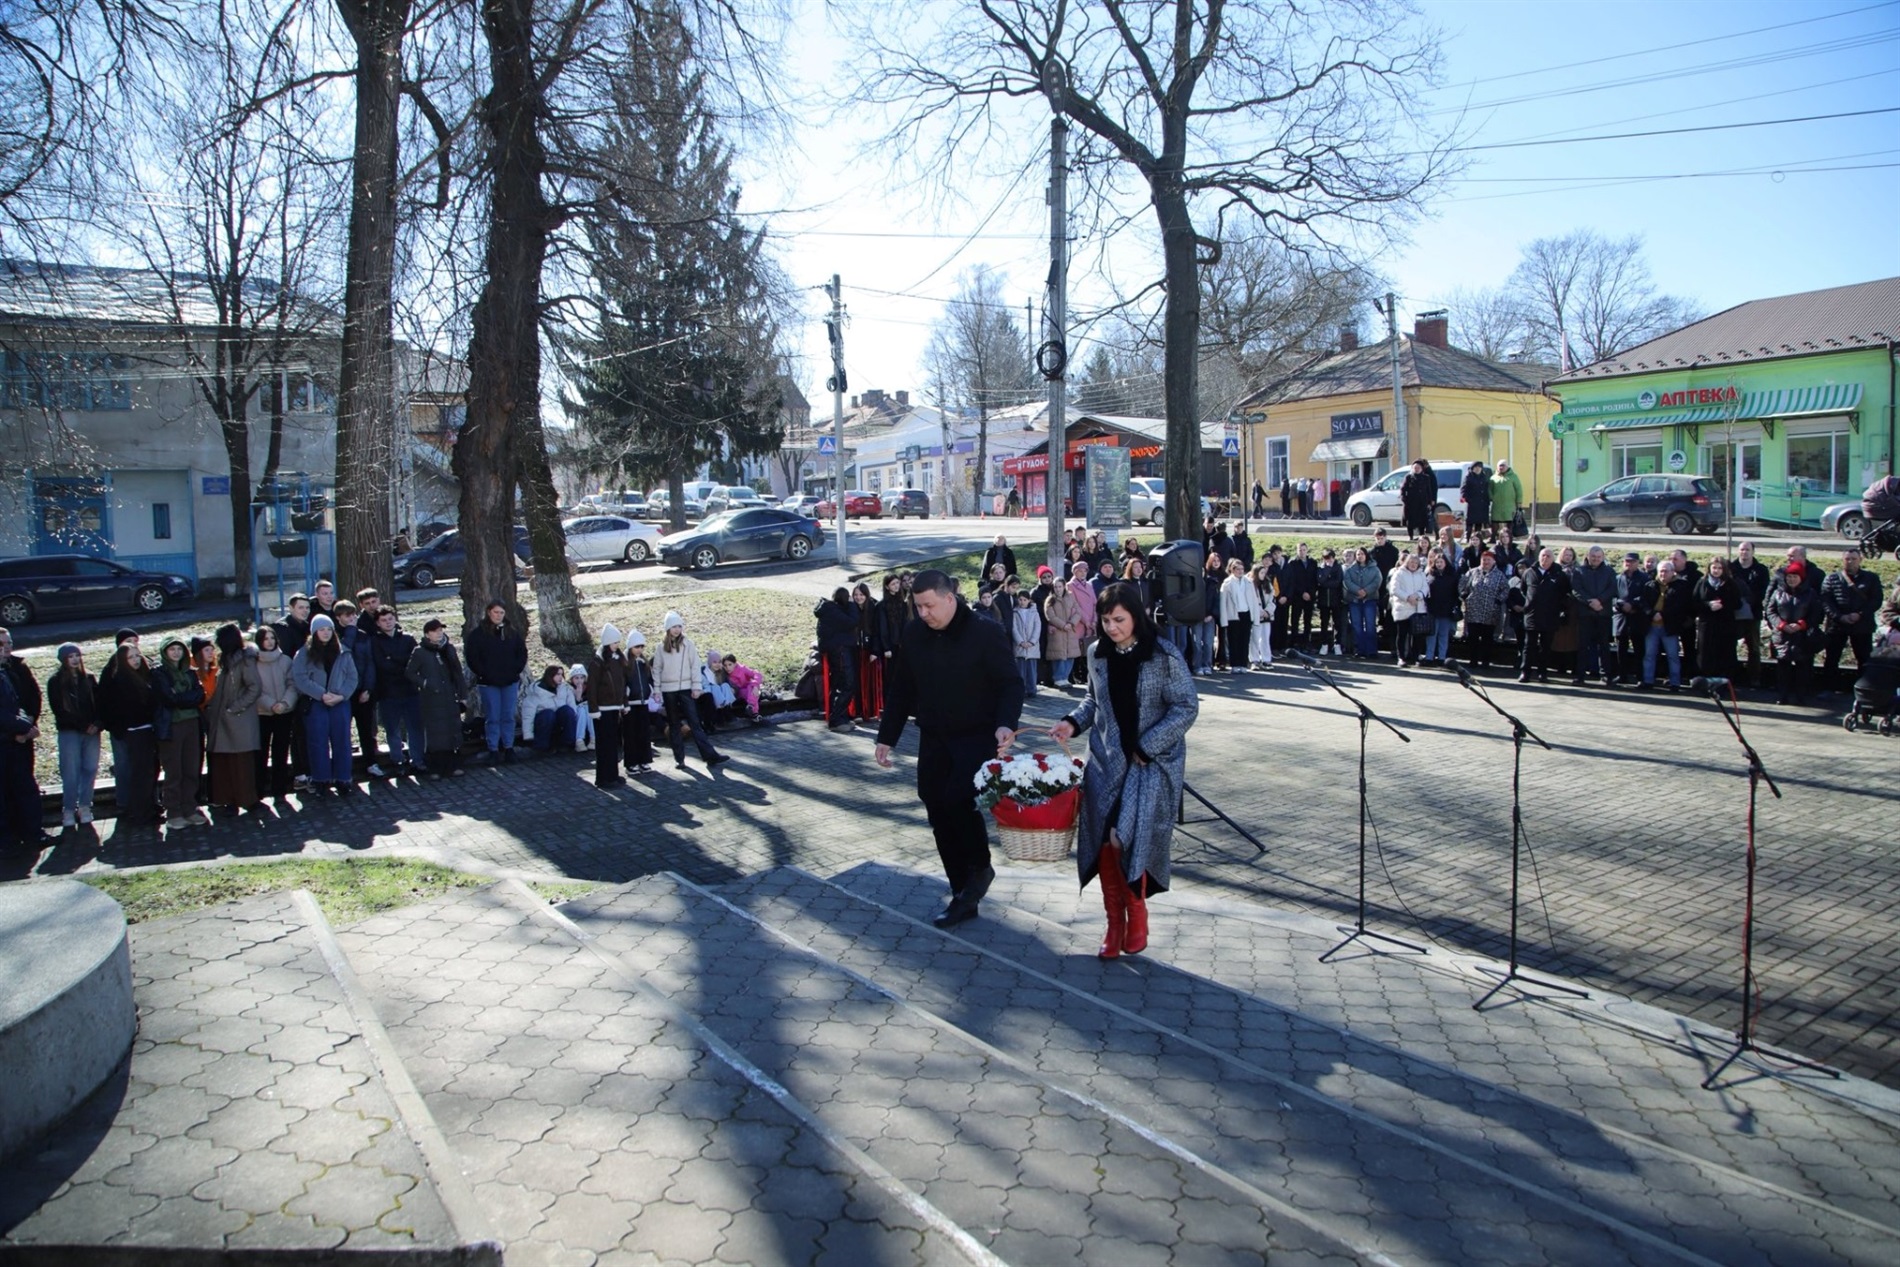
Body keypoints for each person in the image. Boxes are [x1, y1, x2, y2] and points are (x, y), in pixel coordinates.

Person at [1051, 581, 1199, 959]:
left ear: (1136, 616)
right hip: (1104, 763)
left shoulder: (1163, 654)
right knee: (1102, 841)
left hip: (1150, 765)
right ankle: (1114, 924)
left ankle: (1137, 911)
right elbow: (1092, 701)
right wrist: (1071, 722)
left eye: (1119, 619)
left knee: (1124, 837)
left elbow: (1185, 707)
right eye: (1106, 620)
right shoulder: (1097, 652)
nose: (1112, 627)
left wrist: (1148, 745)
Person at [875, 570, 1022, 928]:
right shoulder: (914, 633)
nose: (923, 613)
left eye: (928, 605)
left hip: (976, 735)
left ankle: (980, 868)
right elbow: (901, 689)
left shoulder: (985, 631)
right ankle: (962, 890)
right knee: (934, 801)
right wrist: (886, 737)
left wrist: (1006, 723)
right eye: (918, 606)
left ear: (949, 598)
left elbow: (1011, 683)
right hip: (934, 734)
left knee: (958, 799)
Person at [97, 632, 159, 827]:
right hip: (134, 731)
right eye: (130, 657)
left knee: (150, 771)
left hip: (148, 729)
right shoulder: (120, 680)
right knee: (140, 773)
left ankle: (149, 807)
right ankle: (140, 812)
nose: (135, 660)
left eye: (137, 655)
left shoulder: (143, 675)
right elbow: (118, 708)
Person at [653, 611, 727, 771]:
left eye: (679, 626)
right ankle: (679, 759)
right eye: (674, 626)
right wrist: (657, 689)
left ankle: (710, 755)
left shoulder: (688, 644)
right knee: (674, 725)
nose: (677, 629)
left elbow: (695, 666)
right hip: (669, 690)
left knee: (695, 722)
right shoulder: (660, 648)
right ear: (668, 628)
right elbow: (657, 669)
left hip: (686, 688)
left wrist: (696, 686)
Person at [293, 614, 358, 794]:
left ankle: (343, 779)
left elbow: (352, 677)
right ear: (314, 632)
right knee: (317, 742)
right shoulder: (304, 653)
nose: (326, 633)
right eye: (321, 630)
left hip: (339, 702)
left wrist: (341, 695)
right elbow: (300, 678)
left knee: (342, 741)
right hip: (316, 703)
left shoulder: (343, 651)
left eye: (329, 629)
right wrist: (321, 694)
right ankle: (321, 779)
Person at [201, 623, 262, 815]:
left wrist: (234, 708)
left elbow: (254, 687)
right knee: (224, 762)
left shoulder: (245, 660)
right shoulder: (225, 660)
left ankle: (247, 799)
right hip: (222, 718)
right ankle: (227, 799)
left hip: (238, 720)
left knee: (241, 763)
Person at [464, 599, 528, 765]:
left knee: (508, 716)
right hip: (488, 682)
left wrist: (515, 670)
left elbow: (521, 654)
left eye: (501, 613)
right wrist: (485, 673)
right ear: (488, 612)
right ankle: (493, 749)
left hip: (509, 681)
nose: (498, 616)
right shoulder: (478, 634)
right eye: (495, 612)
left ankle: (508, 747)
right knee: (493, 717)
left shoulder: (512, 633)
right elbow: (472, 658)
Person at [152, 637, 206, 828]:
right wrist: (184, 697)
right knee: (174, 770)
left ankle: (190, 808)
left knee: (191, 767)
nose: (176, 653)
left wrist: (180, 696)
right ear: (165, 652)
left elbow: (200, 695)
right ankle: (173, 812)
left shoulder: (190, 672)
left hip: (192, 723)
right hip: (172, 726)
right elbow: (168, 698)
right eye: (172, 649)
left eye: (179, 649)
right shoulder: (159, 673)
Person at [46, 642, 100, 829]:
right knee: (70, 771)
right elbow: (59, 709)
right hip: (70, 731)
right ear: (63, 660)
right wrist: (82, 725)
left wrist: (97, 724)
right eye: (71, 657)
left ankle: (85, 805)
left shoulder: (90, 678)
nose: (75, 660)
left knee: (90, 768)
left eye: (77, 655)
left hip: (92, 731)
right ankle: (68, 808)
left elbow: (99, 703)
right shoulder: (56, 681)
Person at [406, 619, 468, 778]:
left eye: (440, 630)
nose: (439, 633)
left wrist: (463, 695)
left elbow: (457, 673)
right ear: (427, 634)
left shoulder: (449, 649)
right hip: (431, 698)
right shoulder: (420, 652)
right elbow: (410, 673)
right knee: (435, 735)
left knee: (452, 731)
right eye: (435, 631)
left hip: (449, 696)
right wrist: (426, 683)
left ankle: (453, 766)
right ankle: (435, 768)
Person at [0, 640, 44, 854]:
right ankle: (7, 841)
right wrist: (23, 727)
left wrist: (26, 725)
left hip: (14, 741)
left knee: (24, 788)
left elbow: (18, 703)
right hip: (7, 740)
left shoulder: (7, 672)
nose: (4, 649)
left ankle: (32, 832)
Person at [368, 608, 422, 776]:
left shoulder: (408, 639)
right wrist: (401, 663)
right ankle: (397, 761)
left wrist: (393, 660)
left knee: (415, 728)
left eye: (390, 618)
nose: (388, 622)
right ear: (377, 623)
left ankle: (418, 760)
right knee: (392, 730)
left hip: (410, 690)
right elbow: (381, 665)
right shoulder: (374, 641)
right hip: (388, 693)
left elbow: (415, 663)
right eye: (383, 620)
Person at [1822, 548, 1883, 693]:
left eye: (1853, 559)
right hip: (1837, 625)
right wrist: (1839, 616)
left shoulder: (1871, 578)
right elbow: (1825, 601)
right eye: (1847, 559)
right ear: (1842, 560)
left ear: (1860, 560)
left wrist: (1860, 614)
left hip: (1862, 625)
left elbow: (1876, 600)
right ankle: (1828, 688)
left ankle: (1864, 689)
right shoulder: (1832, 578)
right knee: (1832, 658)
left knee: (1863, 659)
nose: (1850, 562)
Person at [1767, 561, 1822, 705]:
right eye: (1789, 577)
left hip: (1802, 636)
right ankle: (1782, 695)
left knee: (1802, 667)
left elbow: (1816, 614)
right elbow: (1770, 611)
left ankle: (1801, 695)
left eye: (1795, 577)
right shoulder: (1778, 593)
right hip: (1782, 635)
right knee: (1782, 667)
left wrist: (1801, 625)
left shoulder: (1810, 594)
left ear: (1801, 578)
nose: (1791, 580)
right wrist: (1781, 624)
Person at [253, 626, 300, 794]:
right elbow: (254, 688)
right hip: (262, 713)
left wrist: (285, 703)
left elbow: (292, 684)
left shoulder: (285, 660)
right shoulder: (253, 662)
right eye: (266, 639)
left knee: (281, 752)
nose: (270, 642)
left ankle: (279, 788)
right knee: (261, 753)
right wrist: (270, 704)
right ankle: (258, 789)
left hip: (284, 712)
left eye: (272, 638)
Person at [1517, 547, 1571, 685]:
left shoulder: (1559, 574)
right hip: (1532, 615)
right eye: (1542, 555)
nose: (1545, 558)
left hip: (1550, 616)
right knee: (1529, 646)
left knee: (1545, 647)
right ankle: (1525, 672)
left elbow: (1565, 593)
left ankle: (1542, 673)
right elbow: (1524, 590)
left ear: (1553, 559)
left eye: (1548, 556)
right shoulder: (1529, 572)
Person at [586, 626, 631, 786]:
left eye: (618, 642)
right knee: (604, 744)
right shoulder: (598, 663)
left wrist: (624, 703)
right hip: (602, 708)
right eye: (613, 643)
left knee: (613, 744)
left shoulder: (618, 660)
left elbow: (622, 684)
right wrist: (594, 708)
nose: (616, 645)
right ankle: (603, 777)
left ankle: (613, 774)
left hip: (614, 707)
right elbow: (591, 688)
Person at [1569, 545, 1617, 687]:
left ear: (1603, 557)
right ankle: (1580, 676)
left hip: (1603, 614)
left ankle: (1605, 676)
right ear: (1588, 556)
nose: (1596, 559)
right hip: (1585, 614)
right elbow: (1576, 590)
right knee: (1583, 646)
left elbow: (1612, 588)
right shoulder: (1579, 571)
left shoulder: (1609, 571)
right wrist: (1590, 602)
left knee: (1604, 646)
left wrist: (1599, 601)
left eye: (1598, 557)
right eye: (1593, 557)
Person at [1642, 560, 1692, 693]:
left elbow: (1680, 606)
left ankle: (1675, 683)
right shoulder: (1650, 585)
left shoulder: (1680, 586)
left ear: (1672, 572)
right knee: (1649, 655)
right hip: (1651, 625)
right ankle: (1648, 681)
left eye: (1666, 571)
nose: (1663, 574)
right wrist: (1652, 614)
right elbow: (1644, 603)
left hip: (1669, 626)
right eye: (1661, 571)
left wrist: (1663, 615)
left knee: (1672, 655)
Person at [815, 587, 860, 730]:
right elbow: (853, 621)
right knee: (848, 684)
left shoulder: (828, 610)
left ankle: (841, 717)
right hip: (840, 651)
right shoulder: (833, 611)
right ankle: (836, 720)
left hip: (837, 651)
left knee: (839, 685)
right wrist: (852, 605)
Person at [1458, 551, 1509, 670]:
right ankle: (1473, 660)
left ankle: (1485, 661)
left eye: (1488, 560)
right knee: (1473, 638)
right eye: (1484, 560)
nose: (1486, 562)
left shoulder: (1499, 575)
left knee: (1487, 638)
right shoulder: (1472, 572)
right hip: (1473, 611)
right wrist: (1465, 596)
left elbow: (1505, 589)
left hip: (1490, 613)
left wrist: (1498, 600)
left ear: (1493, 561)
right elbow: (1462, 585)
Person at [1694, 557, 1741, 681]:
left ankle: (1723, 681)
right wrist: (1708, 605)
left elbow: (1738, 603)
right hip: (1707, 624)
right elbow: (1694, 602)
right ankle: (1705, 681)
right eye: (1714, 567)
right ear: (1709, 568)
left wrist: (1723, 605)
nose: (1716, 571)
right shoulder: (1702, 582)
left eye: (1720, 568)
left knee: (1725, 653)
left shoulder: (1730, 583)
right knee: (1705, 653)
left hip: (1725, 624)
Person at [1732, 541, 1772, 688]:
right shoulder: (1731, 568)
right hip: (1734, 614)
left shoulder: (1761, 570)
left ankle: (1754, 679)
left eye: (1747, 550)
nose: (1744, 552)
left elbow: (1764, 591)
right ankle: (1733, 676)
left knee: (1754, 647)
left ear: (1753, 552)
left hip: (1753, 613)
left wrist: (1750, 601)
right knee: (1730, 646)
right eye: (1742, 549)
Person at [1612, 551, 1654, 686]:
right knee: (1621, 649)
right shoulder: (1618, 578)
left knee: (1639, 649)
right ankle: (1622, 675)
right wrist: (1620, 604)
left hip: (1637, 617)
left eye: (1632, 561)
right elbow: (1612, 596)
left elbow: (1646, 596)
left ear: (1637, 563)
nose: (1628, 564)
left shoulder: (1644, 578)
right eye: (1626, 561)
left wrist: (1633, 604)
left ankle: (1640, 677)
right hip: (1621, 617)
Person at [521, 664, 579, 752]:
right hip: (543, 722)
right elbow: (528, 714)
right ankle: (541, 746)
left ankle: (568, 742)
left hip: (559, 721)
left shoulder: (565, 688)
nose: (560, 677)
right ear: (550, 675)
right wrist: (528, 735)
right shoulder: (536, 691)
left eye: (561, 674)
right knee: (548, 714)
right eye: (557, 674)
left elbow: (572, 708)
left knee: (567, 710)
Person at [1219, 558, 1262, 672]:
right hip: (1233, 615)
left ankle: (1243, 664)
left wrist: (1255, 616)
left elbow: (1253, 600)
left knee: (1244, 639)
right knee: (1234, 640)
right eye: (1238, 569)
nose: (1240, 571)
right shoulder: (1227, 583)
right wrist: (1224, 620)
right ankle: (1235, 665)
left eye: (1242, 569)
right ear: (1232, 570)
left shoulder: (1248, 582)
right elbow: (1223, 603)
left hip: (1246, 614)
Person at [1043, 573, 1084, 688]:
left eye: (1060, 586)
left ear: (1064, 586)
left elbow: (1078, 611)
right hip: (1058, 631)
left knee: (1070, 654)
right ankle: (1058, 678)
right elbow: (1050, 616)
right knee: (1059, 655)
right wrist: (1063, 625)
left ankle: (1065, 677)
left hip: (1070, 630)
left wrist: (1071, 623)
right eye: (1055, 587)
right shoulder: (1050, 600)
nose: (1058, 589)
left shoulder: (1070, 597)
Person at [1388, 553, 1429, 667]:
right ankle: (1401, 657)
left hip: (1417, 608)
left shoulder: (1421, 574)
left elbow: (1425, 588)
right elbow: (1394, 589)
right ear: (1407, 562)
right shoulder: (1399, 573)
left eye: (1416, 563)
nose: (1413, 565)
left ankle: (1416, 657)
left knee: (1417, 635)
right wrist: (1408, 597)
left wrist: (1417, 595)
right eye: (1411, 562)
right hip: (1403, 608)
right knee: (1402, 634)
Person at [624, 632, 657, 772]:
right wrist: (625, 697)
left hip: (643, 702)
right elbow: (623, 682)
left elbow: (649, 679)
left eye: (641, 647)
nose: (639, 650)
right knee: (631, 735)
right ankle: (631, 762)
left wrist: (651, 690)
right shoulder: (625, 663)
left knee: (644, 733)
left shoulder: (644, 663)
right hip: (631, 704)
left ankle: (644, 760)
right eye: (637, 646)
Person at [1342, 547, 1382, 659]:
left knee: (1370, 625)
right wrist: (1357, 591)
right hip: (1355, 600)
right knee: (1357, 626)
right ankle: (1360, 649)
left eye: (1362, 554)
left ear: (1366, 555)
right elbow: (1347, 581)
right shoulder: (1350, 569)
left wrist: (1366, 591)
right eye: (1358, 554)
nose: (1360, 556)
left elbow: (1377, 581)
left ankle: (1372, 650)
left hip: (1370, 599)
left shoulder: (1374, 568)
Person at [1422, 551, 1459, 666]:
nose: (1439, 564)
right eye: (1437, 562)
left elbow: (1455, 593)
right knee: (1431, 634)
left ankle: (1441, 657)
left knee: (1443, 635)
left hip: (1447, 609)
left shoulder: (1452, 575)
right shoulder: (1430, 574)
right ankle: (1429, 657)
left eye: (1441, 562)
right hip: (1433, 609)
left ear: (1445, 563)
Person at [1010, 589, 1043, 698]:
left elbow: (1037, 627)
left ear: (1029, 600)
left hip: (1031, 647)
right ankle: (1021, 689)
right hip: (1020, 647)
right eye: (1020, 599)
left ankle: (1032, 689)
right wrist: (1020, 641)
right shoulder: (1015, 612)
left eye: (1025, 599)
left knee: (1032, 670)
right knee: (1021, 670)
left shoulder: (1034, 612)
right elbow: (1014, 628)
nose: (1022, 602)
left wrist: (1032, 641)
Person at [1314, 547, 1344, 655]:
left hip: (1336, 600)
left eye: (1330, 558)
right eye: (1326, 558)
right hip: (1323, 600)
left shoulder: (1338, 567)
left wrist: (1326, 580)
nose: (1329, 560)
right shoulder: (1321, 568)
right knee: (1324, 623)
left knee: (1337, 623)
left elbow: (1337, 582)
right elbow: (1320, 581)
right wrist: (1328, 572)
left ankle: (1337, 644)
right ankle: (1324, 644)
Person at [1400, 459, 1437, 541]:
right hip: (1411, 503)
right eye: (1415, 468)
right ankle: (1411, 536)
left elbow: (1429, 491)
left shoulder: (1426, 478)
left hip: (1422, 503)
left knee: (1422, 521)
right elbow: (1403, 489)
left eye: (1418, 468)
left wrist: (1430, 501)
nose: (1416, 469)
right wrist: (1404, 499)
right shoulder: (1408, 477)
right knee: (1410, 521)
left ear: (1422, 469)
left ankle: (1421, 536)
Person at [566, 663, 596, 751]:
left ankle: (593, 738)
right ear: (572, 679)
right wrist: (578, 695)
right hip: (575, 711)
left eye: (582, 677)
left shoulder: (588, 687)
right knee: (581, 710)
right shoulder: (568, 688)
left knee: (587, 708)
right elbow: (571, 703)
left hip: (587, 711)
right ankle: (579, 740)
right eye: (576, 678)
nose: (579, 681)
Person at [1490, 460, 1525, 536]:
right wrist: (1492, 497)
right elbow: (1489, 489)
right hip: (1497, 505)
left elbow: (1518, 489)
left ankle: (1509, 536)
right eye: (1500, 466)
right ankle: (1494, 537)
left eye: (1503, 465)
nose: (1501, 467)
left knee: (1510, 521)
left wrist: (1519, 502)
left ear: (1507, 466)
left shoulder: (1513, 477)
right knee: (1495, 521)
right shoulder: (1493, 478)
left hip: (1510, 504)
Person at [1461, 461, 1491, 538]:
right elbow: (1464, 489)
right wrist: (1464, 497)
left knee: (1479, 523)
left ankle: (1478, 537)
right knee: (1470, 522)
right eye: (1476, 467)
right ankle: (1467, 537)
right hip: (1472, 503)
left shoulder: (1484, 476)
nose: (1478, 469)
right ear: (1473, 468)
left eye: (1479, 467)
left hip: (1482, 504)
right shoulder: (1468, 477)